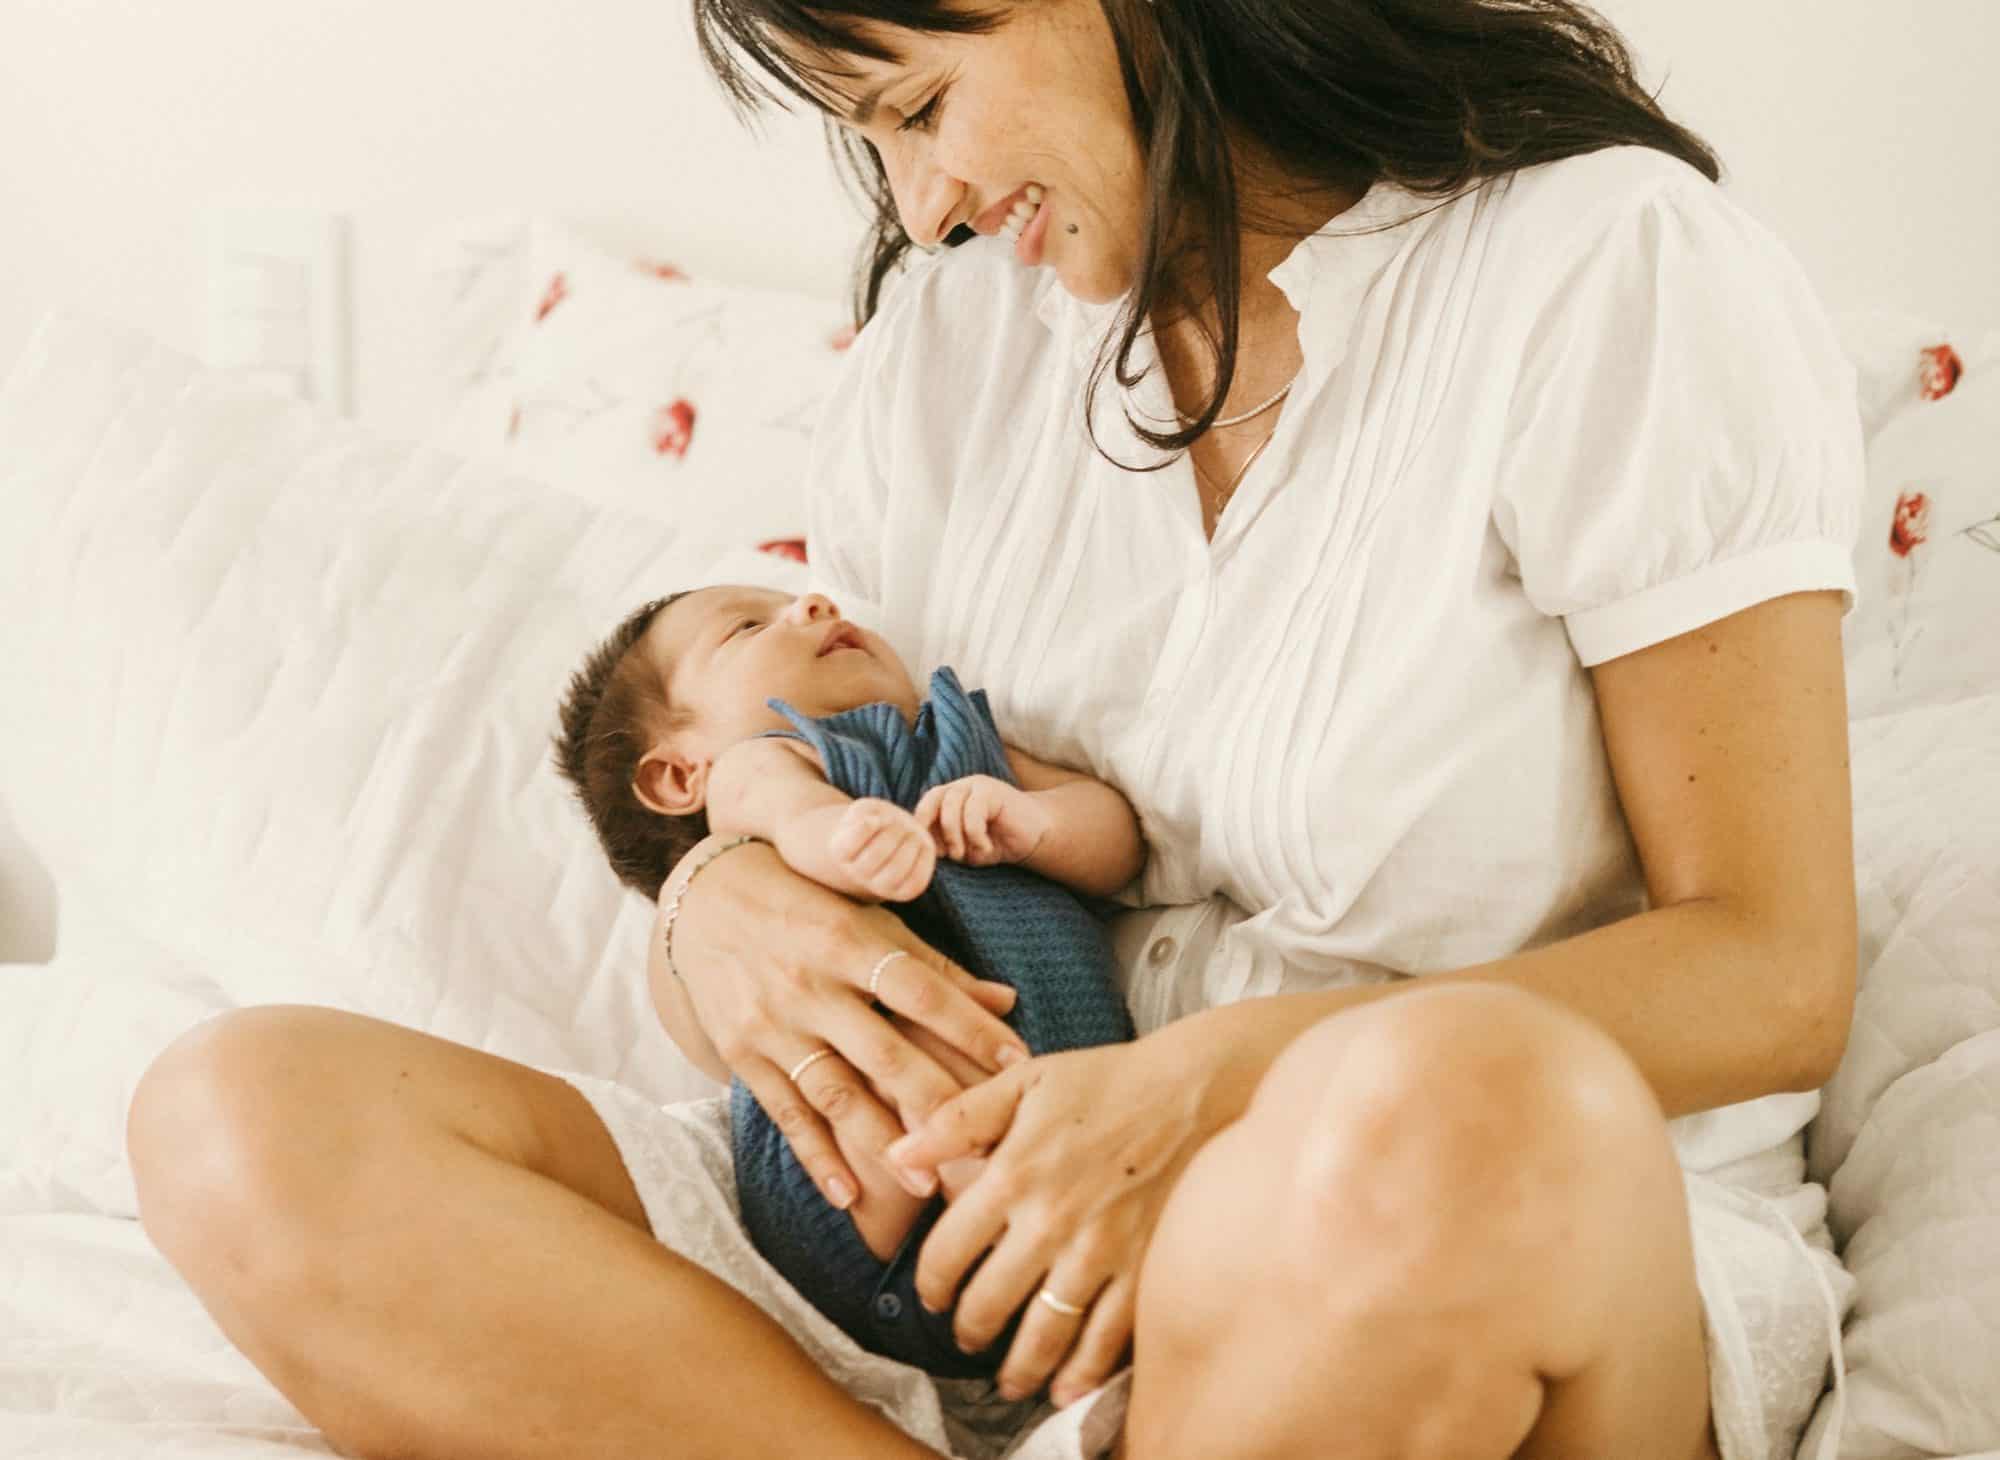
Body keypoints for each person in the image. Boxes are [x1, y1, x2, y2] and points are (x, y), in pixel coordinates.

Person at [125, 2, 1866, 1458]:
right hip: (992, 1259)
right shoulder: (954, 350)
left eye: (926, 107)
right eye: (871, 140)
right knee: (240, 1115)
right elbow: (841, 795)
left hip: (1462, 1244)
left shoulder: (1603, 270)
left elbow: (1773, 972)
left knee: (1452, 1101)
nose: (929, 202)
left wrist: (1196, 1096)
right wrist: (721, 906)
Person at [548, 581, 1140, 1376]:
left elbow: (1117, 842)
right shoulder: (761, 768)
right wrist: (840, 835)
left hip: (1079, 1142)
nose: (813, 604)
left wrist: (1036, 825)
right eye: (748, 627)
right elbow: (786, 810)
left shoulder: (960, 738)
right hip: (861, 1201)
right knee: (898, 1033)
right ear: (679, 776)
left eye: (796, 598)